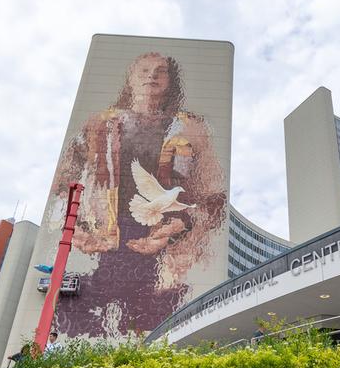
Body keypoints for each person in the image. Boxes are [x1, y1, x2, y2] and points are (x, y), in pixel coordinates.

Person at [50, 52, 227, 337]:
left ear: (171, 81)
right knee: (81, 326)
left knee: (158, 330)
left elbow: (212, 196)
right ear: (131, 76)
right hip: (103, 242)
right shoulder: (99, 124)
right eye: (144, 69)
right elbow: (64, 183)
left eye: (161, 71)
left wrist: (181, 226)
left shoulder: (193, 129)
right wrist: (74, 228)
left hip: (164, 245)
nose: (151, 76)